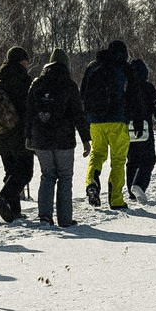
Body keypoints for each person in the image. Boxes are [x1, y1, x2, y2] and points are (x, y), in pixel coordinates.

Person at [25, 49, 91, 228]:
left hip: (41, 138)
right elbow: (78, 114)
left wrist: (28, 136)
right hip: (64, 139)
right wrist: (86, 140)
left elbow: (29, 112)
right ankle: (65, 219)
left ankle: (45, 217)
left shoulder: (36, 83)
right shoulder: (69, 85)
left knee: (47, 175)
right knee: (65, 177)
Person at [78, 40, 132, 210]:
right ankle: (116, 200)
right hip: (117, 120)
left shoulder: (93, 66)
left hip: (95, 121)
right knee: (118, 160)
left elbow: (82, 94)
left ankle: (91, 183)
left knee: (97, 154)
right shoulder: (123, 67)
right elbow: (133, 94)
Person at [0, 47, 34, 223]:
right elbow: (27, 108)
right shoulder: (23, 80)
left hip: (0, 134)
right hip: (19, 134)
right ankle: (2, 198)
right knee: (25, 172)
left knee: (11, 172)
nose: (28, 63)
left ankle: (14, 211)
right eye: (26, 60)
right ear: (21, 61)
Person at [123, 57, 156, 204]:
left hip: (127, 127)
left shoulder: (125, 87)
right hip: (144, 127)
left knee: (132, 160)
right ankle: (139, 184)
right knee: (149, 158)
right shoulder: (148, 87)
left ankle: (132, 191)